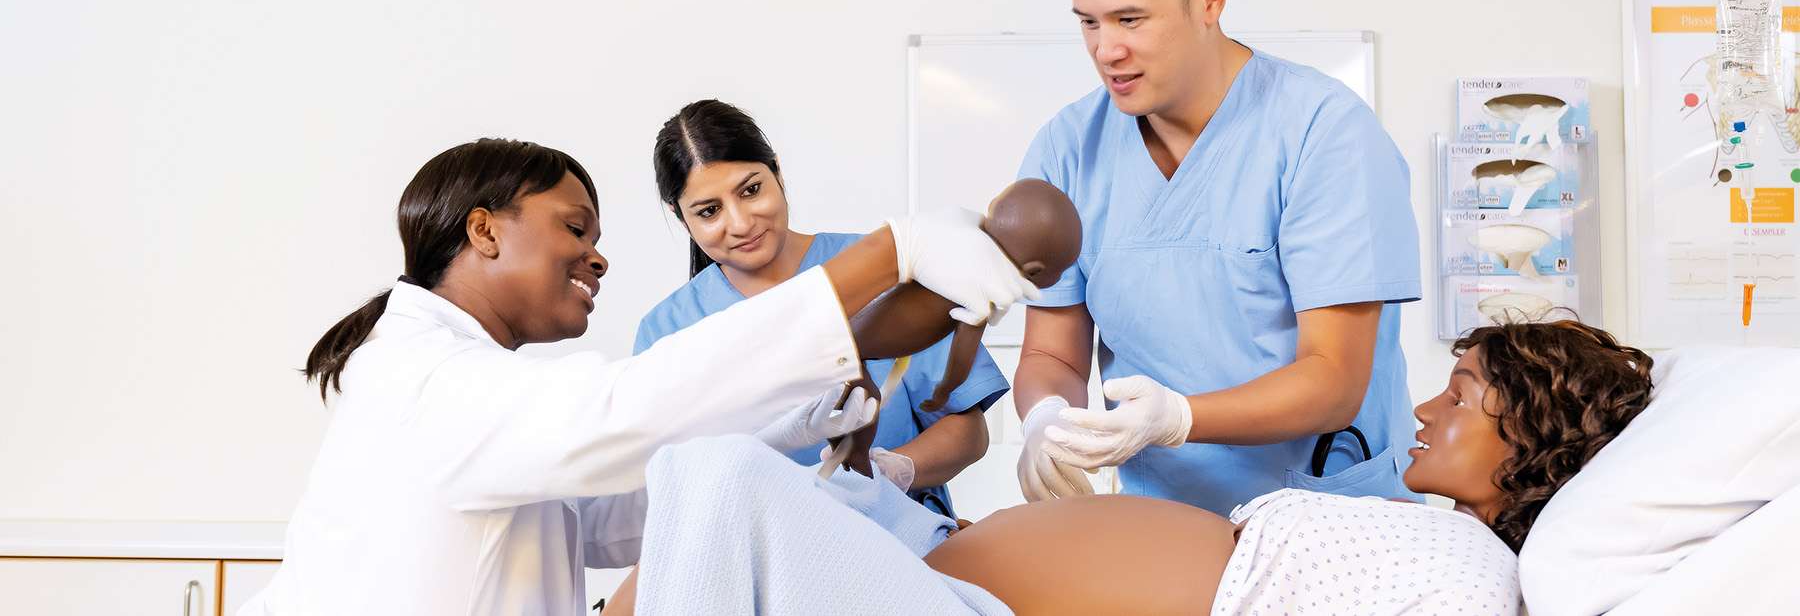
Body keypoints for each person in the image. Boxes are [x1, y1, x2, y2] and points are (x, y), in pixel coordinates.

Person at [238, 138, 1039, 614]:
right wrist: (889, 251)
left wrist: (777, 438)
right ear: (483, 231)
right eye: (575, 228)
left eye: (751, 190)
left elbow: (606, 518)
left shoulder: (465, 385)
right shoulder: (424, 379)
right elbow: (629, 410)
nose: (598, 255)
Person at [602, 320, 1655, 615]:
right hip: (937, 555)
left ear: (1533, 441)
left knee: (717, 477)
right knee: (687, 543)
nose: (1424, 407)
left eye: (1460, 395)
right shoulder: (1418, 527)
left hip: (960, 602)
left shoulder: (1474, 581)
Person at [1011, 0, 1425, 514]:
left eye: (1131, 19)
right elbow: (1053, 354)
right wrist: (1047, 418)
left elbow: (1333, 376)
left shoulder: (1324, 132)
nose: (1107, 50)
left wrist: (1179, 418)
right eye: (1089, 23)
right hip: (1163, 517)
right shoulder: (1067, 149)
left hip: (1328, 514)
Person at [635, 100, 1010, 516]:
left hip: (906, 542)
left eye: (751, 190)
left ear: (777, 171)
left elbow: (967, 428)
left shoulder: (883, 269)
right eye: (709, 211)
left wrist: (887, 474)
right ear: (679, 216)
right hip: (765, 565)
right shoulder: (667, 331)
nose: (740, 223)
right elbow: (672, 489)